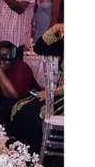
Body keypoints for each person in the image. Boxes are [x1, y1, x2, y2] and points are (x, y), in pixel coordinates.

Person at [8, 23, 64, 154]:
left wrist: (53, 92)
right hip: (58, 92)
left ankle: (32, 155)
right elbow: (40, 48)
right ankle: (18, 151)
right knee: (22, 103)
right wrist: (54, 30)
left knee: (36, 112)